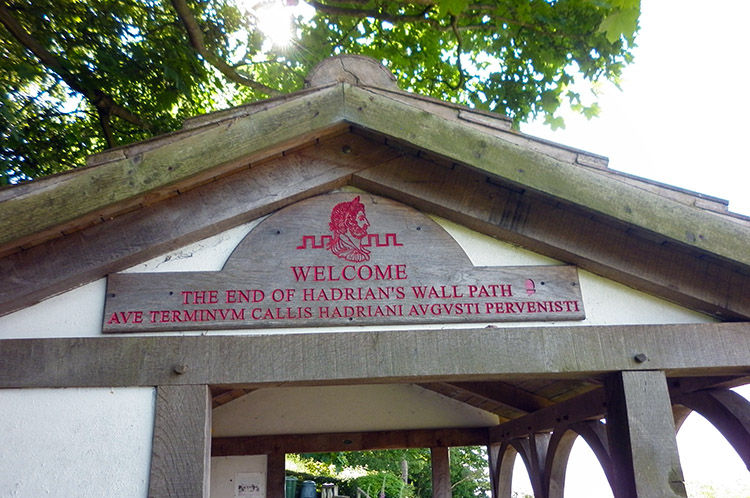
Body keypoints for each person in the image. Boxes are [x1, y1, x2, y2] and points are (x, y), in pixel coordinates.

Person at [328, 196, 371, 262]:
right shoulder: (350, 254)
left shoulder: (361, 252)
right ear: (348, 222)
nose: (367, 223)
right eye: (361, 219)